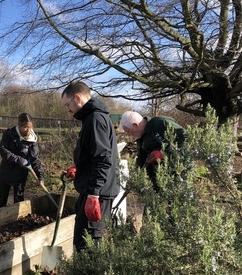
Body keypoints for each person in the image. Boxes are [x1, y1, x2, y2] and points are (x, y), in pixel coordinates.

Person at [61, 81, 120, 251]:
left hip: (97, 194)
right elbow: (93, 156)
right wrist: (80, 169)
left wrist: (94, 194)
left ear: (77, 98)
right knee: (84, 239)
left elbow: (102, 159)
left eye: (68, 104)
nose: (68, 110)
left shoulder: (95, 119)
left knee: (89, 244)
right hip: (92, 191)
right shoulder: (92, 118)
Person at [118, 111, 187, 191]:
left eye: (128, 131)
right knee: (160, 202)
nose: (129, 134)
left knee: (178, 200)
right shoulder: (141, 137)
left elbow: (185, 136)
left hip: (178, 172)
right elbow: (141, 159)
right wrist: (135, 175)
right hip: (158, 177)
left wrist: (163, 152)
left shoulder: (160, 122)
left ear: (135, 125)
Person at [0, 113, 44, 208]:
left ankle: (16, 221)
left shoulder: (32, 140)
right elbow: (4, 152)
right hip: (6, 172)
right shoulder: (9, 134)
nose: (28, 130)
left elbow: (35, 159)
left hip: (20, 175)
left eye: (30, 127)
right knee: (1, 200)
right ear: (19, 125)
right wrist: (19, 160)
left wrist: (40, 175)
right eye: (25, 127)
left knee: (18, 201)